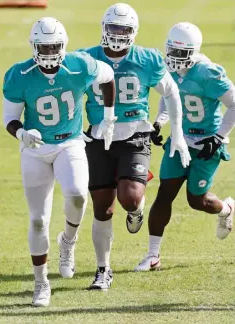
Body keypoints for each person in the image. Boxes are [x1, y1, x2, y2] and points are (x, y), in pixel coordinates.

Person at [3, 17, 116, 307]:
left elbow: (108, 77)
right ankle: (41, 282)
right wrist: (22, 133)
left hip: (70, 141)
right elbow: (10, 118)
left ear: (64, 45)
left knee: (78, 195)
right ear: (33, 46)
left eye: (55, 46)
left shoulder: (80, 65)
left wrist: (107, 116)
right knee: (38, 219)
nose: (50, 52)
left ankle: (68, 241)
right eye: (44, 46)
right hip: (36, 149)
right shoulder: (19, 74)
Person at [78, 3, 191, 290]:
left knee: (129, 198)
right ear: (104, 28)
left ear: (133, 32)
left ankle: (135, 209)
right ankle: (103, 270)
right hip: (99, 138)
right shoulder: (87, 59)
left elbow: (172, 92)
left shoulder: (147, 59)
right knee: (102, 208)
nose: (117, 34)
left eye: (124, 29)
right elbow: (68, 92)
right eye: (113, 28)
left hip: (134, 138)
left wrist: (176, 132)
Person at [135, 22, 235, 271]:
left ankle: (227, 208)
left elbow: (234, 104)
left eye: (181, 53)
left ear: (193, 51)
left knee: (196, 201)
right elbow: (168, 97)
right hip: (180, 140)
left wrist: (220, 136)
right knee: (164, 194)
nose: (174, 58)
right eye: (171, 51)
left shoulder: (208, 74)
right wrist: (159, 122)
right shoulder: (167, 69)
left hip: (206, 143)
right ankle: (153, 255)